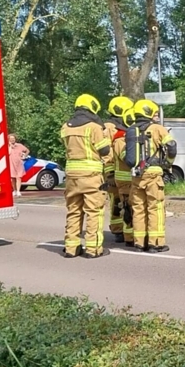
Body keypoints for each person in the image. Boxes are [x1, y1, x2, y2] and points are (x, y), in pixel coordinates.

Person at [60, 94, 112, 259]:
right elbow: (104, 150)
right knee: (93, 211)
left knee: (73, 211)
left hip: (71, 176)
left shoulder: (65, 127)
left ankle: (71, 248)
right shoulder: (93, 127)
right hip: (91, 175)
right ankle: (93, 249)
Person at [126, 99, 176, 253]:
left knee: (139, 208)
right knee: (155, 208)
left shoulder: (131, 130)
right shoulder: (158, 128)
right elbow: (172, 147)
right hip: (153, 173)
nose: (155, 116)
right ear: (148, 113)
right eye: (154, 113)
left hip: (136, 174)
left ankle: (139, 243)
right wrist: (167, 164)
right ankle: (155, 243)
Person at [104, 96, 133, 241]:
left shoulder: (121, 126)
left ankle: (123, 229)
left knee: (122, 201)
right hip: (113, 170)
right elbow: (107, 152)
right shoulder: (109, 127)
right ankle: (118, 230)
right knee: (116, 202)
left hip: (120, 171)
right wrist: (109, 173)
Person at [112, 108, 136, 247]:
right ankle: (129, 238)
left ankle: (135, 235)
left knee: (134, 209)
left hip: (132, 179)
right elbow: (127, 158)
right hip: (125, 180)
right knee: (127, 209)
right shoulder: (120, 139)